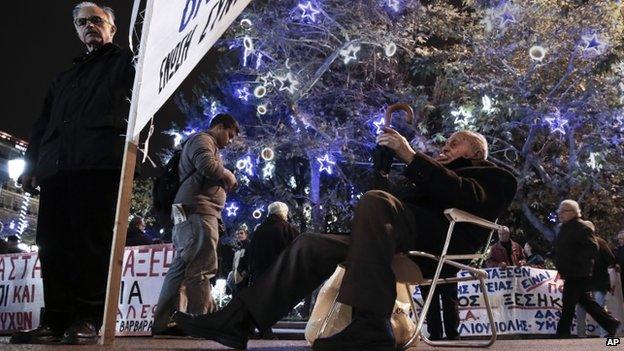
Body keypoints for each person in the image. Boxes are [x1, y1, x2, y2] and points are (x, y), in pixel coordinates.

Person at [173, 129, 518, 351]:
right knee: (310, 241)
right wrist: (382, 171)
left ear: (475, 152)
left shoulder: (496, 177)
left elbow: (462, 194)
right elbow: (382, 202)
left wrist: (412, 157)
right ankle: (238, 319)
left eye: (453, 143)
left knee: (376, 201)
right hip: (388, 241)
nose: (444, 147)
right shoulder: (427, 179)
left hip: (436, 246)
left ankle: (371, 324)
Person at [10, 2, 134, 345]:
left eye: (97, 20)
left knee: (90, 246)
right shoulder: (64, 77)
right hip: (56, 170)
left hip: (97, 165)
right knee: (52, 247)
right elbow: (42, 123)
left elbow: (144, 101)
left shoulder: (127, 63)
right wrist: (33, 165)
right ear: (76, 29)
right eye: (82, 22)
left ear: (112, 28)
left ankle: (87, 317)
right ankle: (55, 319)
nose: (89, 26)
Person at [152, 113, 240, 337]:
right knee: (202, 269)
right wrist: (227, 174)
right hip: (199, 213)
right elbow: (207, 166)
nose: (229, 141)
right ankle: (200, 323)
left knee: (180, 271)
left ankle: (164, 322)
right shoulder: (203, 140)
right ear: (219, 127)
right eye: (229, 135)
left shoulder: (200, 142)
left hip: (189, 214)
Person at [554, 199, 620, 338]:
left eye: (563, 211)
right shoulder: (564, 228)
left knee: (568, 302)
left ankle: (562, 332)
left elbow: (592, 247)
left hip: (578, 272)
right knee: (585, 301)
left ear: (573, 212)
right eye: (559, 211)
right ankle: (610, 323)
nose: (560, 214)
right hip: (570, 272)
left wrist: (577, 262)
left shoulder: (582, 227)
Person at [243, 201, 300, 286]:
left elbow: (250, 252)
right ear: (283, 213)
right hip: (280, 276)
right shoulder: (288, 229)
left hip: (260, 277)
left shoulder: (259, 230)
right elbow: (296, 251)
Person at [575, 235, 617, 337]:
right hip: (598, 280)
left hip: (586, 282)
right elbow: (610, 260)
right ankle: (605, 335)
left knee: (583, 307)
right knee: (599, 306)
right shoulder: (600, 243)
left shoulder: (578, 245)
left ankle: (581, 335)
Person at [614, 230, 624, 297]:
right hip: (620, 273)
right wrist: (616, 264)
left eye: (621, 239)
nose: (619, 240)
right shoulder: (617, 248)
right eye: (619, 239)